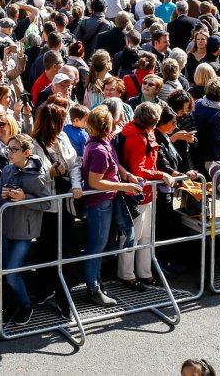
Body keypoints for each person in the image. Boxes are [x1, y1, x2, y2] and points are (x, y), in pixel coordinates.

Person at [81, 106, 141, 306]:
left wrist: (126, 175)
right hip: (100, 204)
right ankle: (92, 288)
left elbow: (113, 166)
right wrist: (125, 185)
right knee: (96, 247)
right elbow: (95, 182)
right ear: (106, 125)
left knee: (100, 245)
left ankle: (97, 283)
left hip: (106, 201)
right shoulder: (98, 149)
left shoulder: (102, 143)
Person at [117, 101, 175, 291]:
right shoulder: (138, 137)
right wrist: (161, 175)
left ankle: (144, 271)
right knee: (133, 235)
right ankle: (127, 274)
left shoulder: (141, 132)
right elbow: (139, 169)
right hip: (138, 194)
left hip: (146, 193)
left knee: (146, 235)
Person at [0, 132, 51, 326]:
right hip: (6, 227)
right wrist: (3, 195)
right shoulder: (7, 171)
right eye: (8, 149)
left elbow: (46, 204)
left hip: (24, 232)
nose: (9, 153)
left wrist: (25, 198)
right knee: (5, 272)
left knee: (11, 273)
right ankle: (14, 306)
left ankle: (26, 305)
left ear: (26, 152)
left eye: (14, 149)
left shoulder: (38, 175)